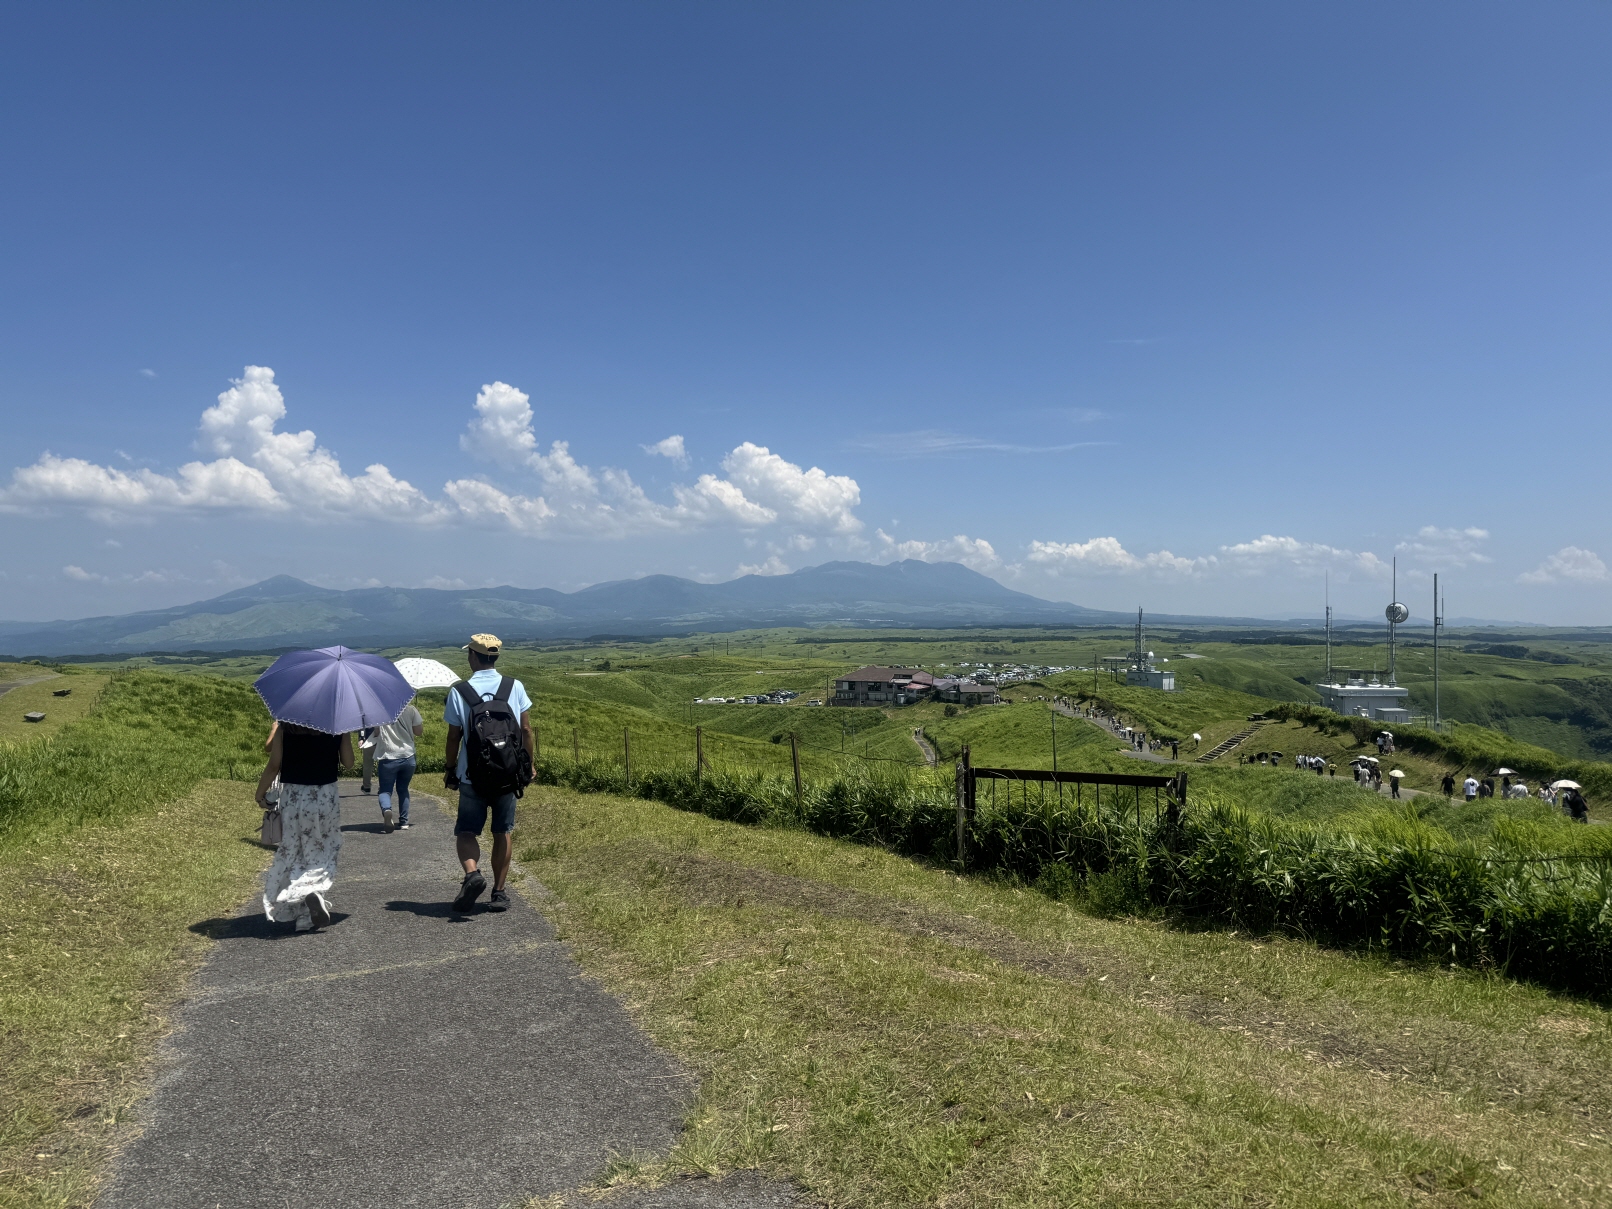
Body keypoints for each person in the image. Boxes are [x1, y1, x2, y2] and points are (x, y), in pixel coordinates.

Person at [443, 633, 533, 913]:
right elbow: (526, 730)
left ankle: (472, 874)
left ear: (472, 656)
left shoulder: (460, 691)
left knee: (467, 831)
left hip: (472, 775)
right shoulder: (513, 686)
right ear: (494, 657)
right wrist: (528, 765)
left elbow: (453, 737)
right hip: (508, 775)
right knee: (502, 831)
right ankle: (499, 893)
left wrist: (450, 770)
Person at [256, 722, 352, 931]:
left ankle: (304, 915)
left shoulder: (285, 726)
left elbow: (274, 765)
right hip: (325, 796)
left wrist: (260, 793)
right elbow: (349, 762)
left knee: (296, 848)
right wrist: (345, 736)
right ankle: (313, 891)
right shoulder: (336, 725)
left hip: (294, 795)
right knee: (325, 847)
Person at [373, 698, 424, 831]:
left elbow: (376, 733)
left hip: (388, 756)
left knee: (385, 790)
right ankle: (404, 822)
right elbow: (419, 731)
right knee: (403, 789)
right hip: (408, 756)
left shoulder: (379, 711)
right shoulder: (411, 709)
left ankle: (387, 810)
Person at [358, 727, 377, 793]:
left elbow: (362, 726)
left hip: (368, 741)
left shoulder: (365, 716)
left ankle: (366, 787)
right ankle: (382, 787)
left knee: (367, 766)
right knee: (383, 764)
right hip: (381, 742)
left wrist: (361, 738)